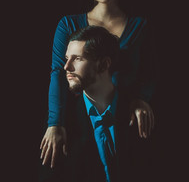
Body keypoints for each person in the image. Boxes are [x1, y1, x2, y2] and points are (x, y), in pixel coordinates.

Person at [40, 0, 156, 169]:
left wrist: (142, 99)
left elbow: (150, 70)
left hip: (125, 115)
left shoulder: (140, 26)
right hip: (83, 116)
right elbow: (58, 71)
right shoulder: (68, 24)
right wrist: (55, 122)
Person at [39, 26, 152, 182]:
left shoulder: (139, 115)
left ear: (104, 64)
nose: (66, 67)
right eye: (67, 58)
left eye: (77, 58)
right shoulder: (61, 123)